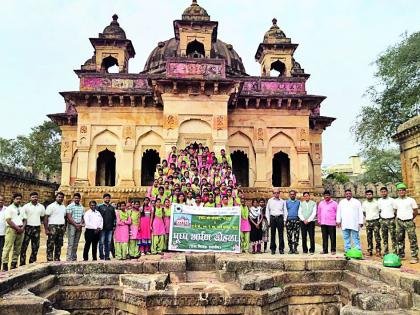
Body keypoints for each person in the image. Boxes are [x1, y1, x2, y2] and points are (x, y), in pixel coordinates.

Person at [394, 183, 418, 264]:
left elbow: (415, 211)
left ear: (405, 191)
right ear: (397, 192)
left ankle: (414, 256)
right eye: (399, 190)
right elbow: (395, 211)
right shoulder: (396, 201)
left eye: (402, 190)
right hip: (399, 221)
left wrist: (411, 218)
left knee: (412, 239)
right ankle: (401, 255)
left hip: (409, 221)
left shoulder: (411, 200)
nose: (401, 192)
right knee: (399, 239)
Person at [2, 193, 26, 271]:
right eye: (17, 199)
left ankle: (14, 264)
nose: (18, 200)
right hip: (11, 229)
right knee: (7, 247)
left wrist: (22, 228)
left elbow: (25, 219)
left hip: (20, 229)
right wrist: (17, 228)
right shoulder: (9, 208)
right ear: (13, 199)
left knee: (17, 248)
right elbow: (8, 220)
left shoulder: (22, 208)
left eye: (20, 199)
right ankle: (5, 265)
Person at [20, 192, 45, 265]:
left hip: (37, 228)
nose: (35, 198)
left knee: (35, 246)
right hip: (28, 227)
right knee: (24, 246)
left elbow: (42, 216)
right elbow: (23, 218)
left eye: (36, 197)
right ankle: (22, 263)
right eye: (33, 197)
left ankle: (32, 262)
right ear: (30, 198)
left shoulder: (41, 207)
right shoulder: (25, 207)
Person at [336, 189, 364, 254]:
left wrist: (361, 222)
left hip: (354, 222)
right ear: (345, 194)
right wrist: (338, 221)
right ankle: (347, 250)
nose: (348, 195)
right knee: (346, 237)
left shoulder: (357, 202)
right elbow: (338, 212)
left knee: (355, 237)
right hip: (345, 223)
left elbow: (360, 212)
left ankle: (358, 250)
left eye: (349, 193)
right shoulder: (342, 202)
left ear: (351, 194)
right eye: (347, 193)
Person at [44, 192, 67, 262]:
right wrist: (46, 229)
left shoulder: (63, 207)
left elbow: (65, 217)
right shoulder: (51, 206)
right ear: (56, 197)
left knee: (59, 244)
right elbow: (46, 217)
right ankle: (49, 259)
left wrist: (64, 226)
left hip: (61, 226)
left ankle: (57, 258)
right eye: (59, 197)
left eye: (62, 197)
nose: (60, 198)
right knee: (51, 243)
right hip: (52, 226)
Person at [266, 189, 287, 254]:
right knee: (272, 234)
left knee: (281, 234)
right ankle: (273, 249)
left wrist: (284, 220)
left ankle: (281, 249)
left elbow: (285, 211)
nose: (276, 194)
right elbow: (267, 210)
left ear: (279, 193)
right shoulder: (270, 201)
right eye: (275, 193)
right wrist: (268, 220)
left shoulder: (282, 201)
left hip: (280, 218)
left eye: (277, 193)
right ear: (273, 193)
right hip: (272, 218)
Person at [317, 190, 338, 255]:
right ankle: (325, 250)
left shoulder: (334, 203)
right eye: (325, 195)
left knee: (332, 237)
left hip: (331, 223)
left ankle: (333, 250)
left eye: (328, 195)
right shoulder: (321, 203)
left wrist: (337, 221)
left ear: (330, 196)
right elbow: (319, 213)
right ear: (324, 196)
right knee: (324, 237)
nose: (326, 196)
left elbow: (337, 213)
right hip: (323, 223)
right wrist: (319, 220)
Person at [377, 186, 397, 254]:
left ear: (387, 192)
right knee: (384, 237)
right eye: (382, 192)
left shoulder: (392, 200)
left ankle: (395, 252)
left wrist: (393, 217)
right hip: (383, 221)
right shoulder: (379, 201)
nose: (383, 193)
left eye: (384, 192)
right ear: (380, 193)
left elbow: (395, 210)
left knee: (393, 237)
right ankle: (386, 252)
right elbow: (379, 211)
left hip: (391, 220)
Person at [362, 190, 381, 257]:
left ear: (372, 195)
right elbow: (364, 212)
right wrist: (368, 218)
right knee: (369, 237)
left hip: (376, 221)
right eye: (367, 194)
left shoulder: (377, 202)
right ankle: (370, 250)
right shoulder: (364, 203)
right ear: (365, 195)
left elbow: (380, 211)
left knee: (377, 237)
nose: (369, 195)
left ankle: (378, 250)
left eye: (370, 194)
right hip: (368, 221)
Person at [66, 193, 84, 261]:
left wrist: (81, 224)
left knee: (76, 242)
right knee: (71, 242)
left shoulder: (81, 207)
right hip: (72, 225)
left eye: (78, 198)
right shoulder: (70, 206)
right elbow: (69, 217)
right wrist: (76, 225)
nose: (77, 199)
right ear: (73, 198)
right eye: (75, 198)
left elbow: (83, 217)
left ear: (80, 199)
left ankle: (74, 257)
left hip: (79, 226)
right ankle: (69, 258)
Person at [98, 193, 116, 260]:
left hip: (110, 228)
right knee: (101, 242)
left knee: (108, 242)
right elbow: (97, 217)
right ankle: (101, 256)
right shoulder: (100, 207)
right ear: (103, 199)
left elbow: (114, 217)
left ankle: (107, 256)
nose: (107, 199)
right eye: (106, 198)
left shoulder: (112, 207)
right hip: (102, 227)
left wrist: (114, 226)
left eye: (108, 198)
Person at [285, 190, 300, 254]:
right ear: (289, 195)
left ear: (295, 195)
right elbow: (285, 211)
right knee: (289, 235)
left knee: (296, 235)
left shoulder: (299, 202)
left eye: (293, 194)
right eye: (291, 194)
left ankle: (295, 248)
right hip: (289, 220)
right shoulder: (286, 202)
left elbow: (300, 211)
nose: (292, 195)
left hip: (296, 220)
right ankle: (291, 249)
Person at [0, 196, 6, 264]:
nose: (0, 201)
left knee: (1, 251)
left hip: (3, 234)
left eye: (2, 200)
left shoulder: (7, 209)